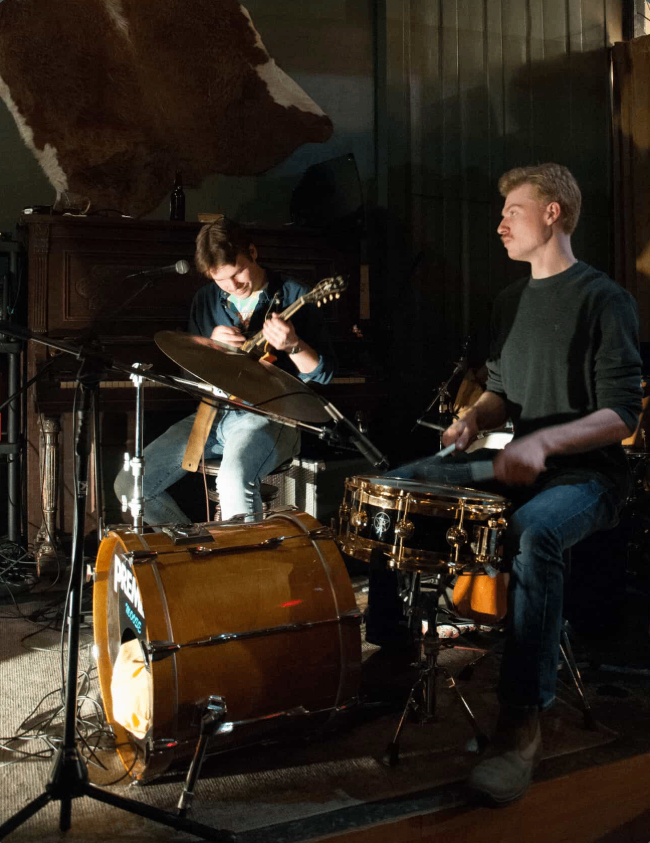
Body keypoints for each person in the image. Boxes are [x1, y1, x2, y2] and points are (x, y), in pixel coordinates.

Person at [376, 163, 643, 804]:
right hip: (511, 464)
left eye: (512, 212)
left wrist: (548, 440)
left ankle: (522, 721)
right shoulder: (510, 301)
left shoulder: (605, 299)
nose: (499, 225)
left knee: (534, 534)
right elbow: (501, 391)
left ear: (552, 213)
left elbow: (622, 415)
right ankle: (391, 656)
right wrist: (474, 419)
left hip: (588, 478)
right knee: (391, 487)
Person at [114, 217, 335, 523]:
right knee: (130, 486)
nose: (233, 286)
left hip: (269, 416)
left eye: (237, 273)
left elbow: (322, 376)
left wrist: (293, 344)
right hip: (211, 413)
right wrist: (209, 346)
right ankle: (197, 552)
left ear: (253, 253)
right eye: (220, 280)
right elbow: (193, 374)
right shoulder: (205, 299)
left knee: (233, 481)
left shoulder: (297, 294)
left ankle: (239, 567)